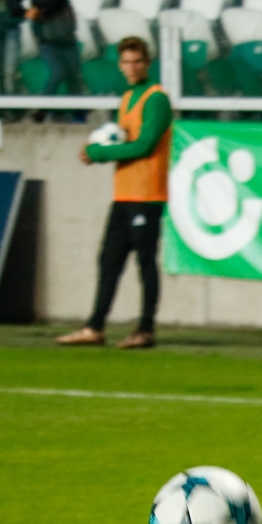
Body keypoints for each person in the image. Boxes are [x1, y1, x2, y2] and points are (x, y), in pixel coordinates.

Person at [57, 37, 171, 349]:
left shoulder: (156, 99)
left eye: (137, 61)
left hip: (147, 195)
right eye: (126, 62)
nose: (132, 68)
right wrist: (103, 151)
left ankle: (146, 329)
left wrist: (100, 152)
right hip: (124, 193)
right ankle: (95, 326)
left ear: (148, 62)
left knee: (145, 262)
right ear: (120, 65)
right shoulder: (127, 98)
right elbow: (126, 142)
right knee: (109, 261)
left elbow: (145, 145)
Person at [0, 0, 84, 113]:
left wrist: (34, 4)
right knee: (58, 71)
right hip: (46, 38)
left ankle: (78, 114)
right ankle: (43, 110)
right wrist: (25, 12)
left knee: (74, 76)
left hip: (67, 36)